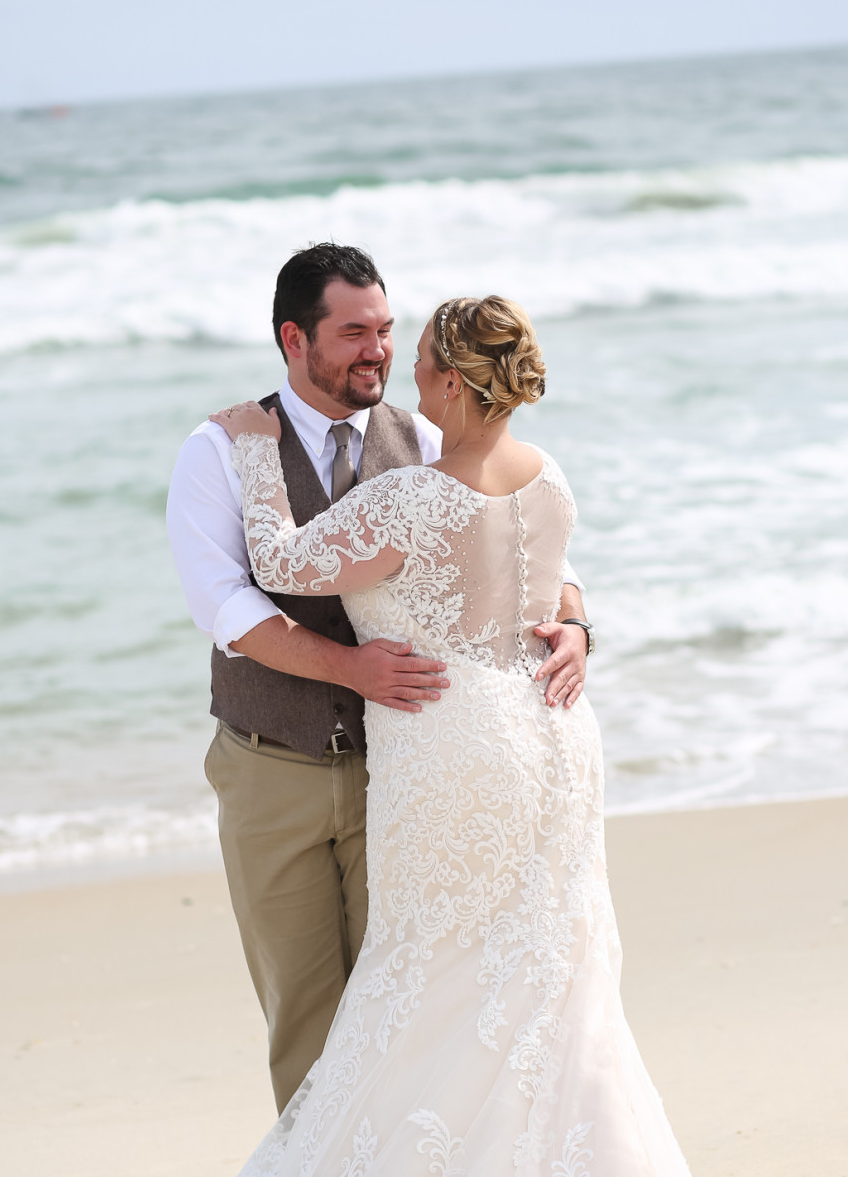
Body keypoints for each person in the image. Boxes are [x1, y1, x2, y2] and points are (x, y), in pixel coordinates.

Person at [209, 295, 848, 1177]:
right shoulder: (549, 476)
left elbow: (281, 558)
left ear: (442, 382)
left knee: (436, 972)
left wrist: (248, 447)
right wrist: (577, 627)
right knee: (544, 976)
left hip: (456, 750)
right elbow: (549, 591)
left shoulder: (405, 499)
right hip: (551, 733)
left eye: (419, 356)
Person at [167, 245, 588, 1113]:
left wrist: (577, 624)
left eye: (390, 332)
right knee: (307, 1014)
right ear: (295, 338)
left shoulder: (430, 436)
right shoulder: (217, 449)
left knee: (407, 1005)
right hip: (272, 765)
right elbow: (228, 607)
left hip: (401, 773)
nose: (380, 352)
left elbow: (527, 562)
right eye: (353, 331)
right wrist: (349, 666)